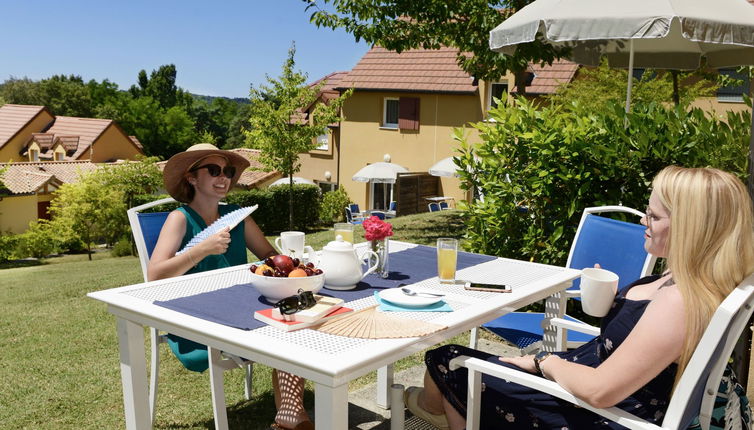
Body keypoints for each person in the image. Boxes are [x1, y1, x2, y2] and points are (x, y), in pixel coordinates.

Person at [404, 166, 754, 430]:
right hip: (593, 386)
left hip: (599, 412)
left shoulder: (680, 302)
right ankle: (435, 408)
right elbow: (628, 344)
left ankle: (431, 410)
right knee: (459, 364)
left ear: (692, 228)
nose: (645, 221)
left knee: (450, 363)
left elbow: (602, 391)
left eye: (654, 215)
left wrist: (543, 362)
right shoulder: (693, 282)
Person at [148, 143, 313, 430]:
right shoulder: (180, 218)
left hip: (240, 307)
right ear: (191, 177)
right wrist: (201, 250)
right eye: (212, 170)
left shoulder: (237, 216)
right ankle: (290, 414)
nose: (223, 177)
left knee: (292, 322)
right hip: (197, 318)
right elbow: (155, 275)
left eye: (228, 171)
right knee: (285, 327)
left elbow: (271, 258)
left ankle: (289, 415)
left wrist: (297, 264)